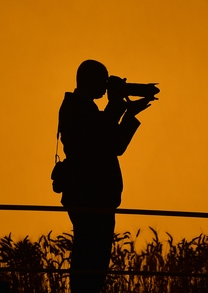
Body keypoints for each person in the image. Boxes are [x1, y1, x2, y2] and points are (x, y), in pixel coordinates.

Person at [57, 60, 153, 293]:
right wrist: (117, 103)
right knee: (89, 261)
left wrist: (128, 113)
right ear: (90, 80)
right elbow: (98, 137)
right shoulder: (76, 107)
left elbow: (114, 145)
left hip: (98, 198)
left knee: (96, 263)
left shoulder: (85, 108)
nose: (106, 86)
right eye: (104, 80)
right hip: (89, 197)